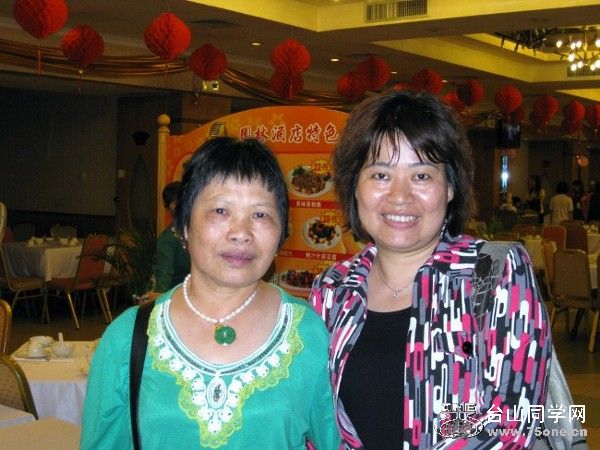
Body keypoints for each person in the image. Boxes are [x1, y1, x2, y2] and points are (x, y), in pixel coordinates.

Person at [310, 90, 552, 449]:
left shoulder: (495, 272)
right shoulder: (333, 290)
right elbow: (318, 420)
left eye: (421, 175)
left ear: (450, 187)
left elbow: (512, 420)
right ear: (354, 186)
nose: (399, 196)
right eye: (380, 175)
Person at [82, 137, 340, 449]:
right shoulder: (127, 338)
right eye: (220, 210)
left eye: (260, 214)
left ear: (281, 232)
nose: (241, 233)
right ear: (184, 225)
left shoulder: (308, 334)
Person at [152, 181, 191, 295]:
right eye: (175, 203)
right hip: (177, 296)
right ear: (169, 208)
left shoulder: (201, 232)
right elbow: (163, 279)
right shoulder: (168, 239)